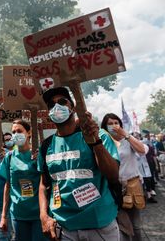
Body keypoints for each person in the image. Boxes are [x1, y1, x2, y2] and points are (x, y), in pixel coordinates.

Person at [37, 87, 120, 240]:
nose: (57, 107)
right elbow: (43, 184)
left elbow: (113, 176)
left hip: (100, 224)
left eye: (62, 102)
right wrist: (43, 215)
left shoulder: (98, 135)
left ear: (73, 107)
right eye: (51, 105)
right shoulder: (46, 146)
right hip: (65, 228)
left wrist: (96, 142)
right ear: (48, 114)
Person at [0, 120, 46, 241]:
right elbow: (7, 186)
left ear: (29, 133)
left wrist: (40, 159)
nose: (15, 134)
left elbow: (45, 183)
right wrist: (4, 216)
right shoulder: (9, 157)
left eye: (19, 131)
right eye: (13, 132)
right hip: (18, 214)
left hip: (38, 214)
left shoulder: (38, 155)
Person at [101, 113, 146, 241]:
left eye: (116, 123)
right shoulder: (103, 143)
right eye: (110, 123)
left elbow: (142, 151)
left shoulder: (127, 140)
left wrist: (126, 135)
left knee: (136, 224)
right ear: (104, 127)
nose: (114, 126)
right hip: (112, 188)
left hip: (131, 186)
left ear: (120, 125)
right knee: (120, 223)